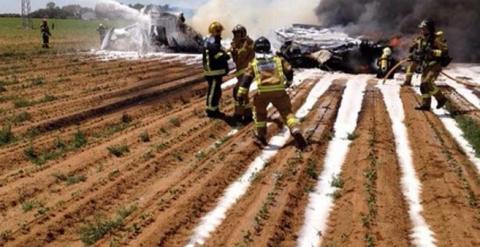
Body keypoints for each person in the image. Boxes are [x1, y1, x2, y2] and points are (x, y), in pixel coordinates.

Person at [237, 37, 307, 150]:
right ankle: (294, 129)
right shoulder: (278, 59)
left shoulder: (254, 63)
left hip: (263, 93)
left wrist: (241, 94)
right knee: (287, 113)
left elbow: (246, 79)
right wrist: (288, 82)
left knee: (260, 114)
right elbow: (289, 70)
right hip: (279, 91)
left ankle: (261, 135)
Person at [406, 18, 450, 110]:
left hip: (435, 65)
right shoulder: (422, 39)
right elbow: (419, 51)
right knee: (423, 86)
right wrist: (414, 55)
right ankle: (426, 105)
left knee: (428, 82)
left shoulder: (436, 39)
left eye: (424, 28)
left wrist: (432, 52)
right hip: (426, 66)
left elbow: (444, 52)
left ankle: (441, 99)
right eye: (421, 28)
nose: (422, 30)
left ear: (429, 28)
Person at [202, 21, 230, 118]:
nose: (220, 33)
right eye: (218, 31)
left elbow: (219, 50)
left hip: (214, 71)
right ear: (213, 31)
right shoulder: (212, 42)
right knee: (214, 91)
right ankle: (211, 111)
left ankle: (214, 108)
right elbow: (217, 55)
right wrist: (226, 55)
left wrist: (225, 51)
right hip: (213, 71)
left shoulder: (211, 40)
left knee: (215, 90)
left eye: (220, 31)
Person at [230, 24, 255, 124]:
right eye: (235, 34)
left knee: (238, 92)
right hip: (241, 73)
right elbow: (237, 61)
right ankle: (248, 115)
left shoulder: (249, 43)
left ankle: (238, 115)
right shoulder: (238, 43)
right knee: (243, 94)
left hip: (247, 72)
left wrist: (236, 49)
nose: (235, 36)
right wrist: (233, 52)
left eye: (237, 34)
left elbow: (242, 56)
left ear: (243, 33)